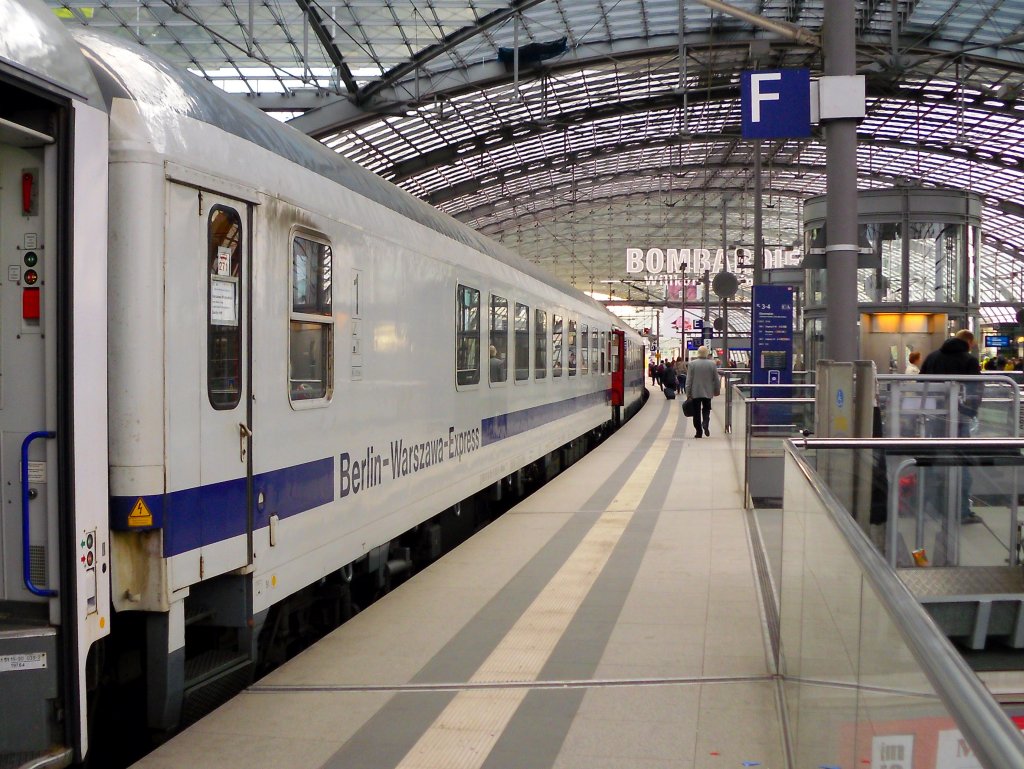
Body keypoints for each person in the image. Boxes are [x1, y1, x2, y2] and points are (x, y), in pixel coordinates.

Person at [920, 329, 983, 524]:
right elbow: (975, 390)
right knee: (961, 461)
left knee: (934, 459)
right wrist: (970, 412)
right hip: (959, 420)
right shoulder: (969, 361)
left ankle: (931, 506)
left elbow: (920, 384)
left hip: (933, 417)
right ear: (969, 342)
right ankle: (961, 510)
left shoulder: (932, 357)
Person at [684, 346, 721, 438]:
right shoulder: (712, 364)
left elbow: (689, 380)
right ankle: (705, 423)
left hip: (695, 392)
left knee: (696, 412)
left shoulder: (692, 364)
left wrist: (688, 393)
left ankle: (698, 432)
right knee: (706, 409)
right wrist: (717, 390)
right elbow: (716, 379)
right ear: (706, 353)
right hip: (708, 392)